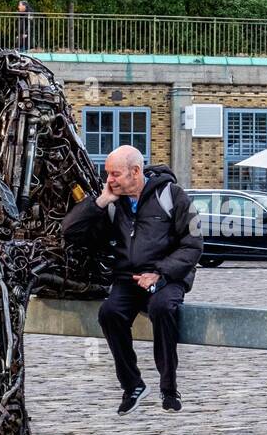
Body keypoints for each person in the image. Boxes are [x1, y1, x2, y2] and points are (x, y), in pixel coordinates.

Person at [62, 145, 202, 414]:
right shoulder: (114, 204)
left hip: (166, 277)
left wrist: (160, 273)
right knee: (109, 313)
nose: (109, 180)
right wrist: (101, 201)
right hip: (128, 278)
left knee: (163, 309)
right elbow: (70, 231)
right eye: (107, 174)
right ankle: (133, 385)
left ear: (135, 172)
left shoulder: (173, 196)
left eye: (115, 174)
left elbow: (193, 244)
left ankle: (169, 387)